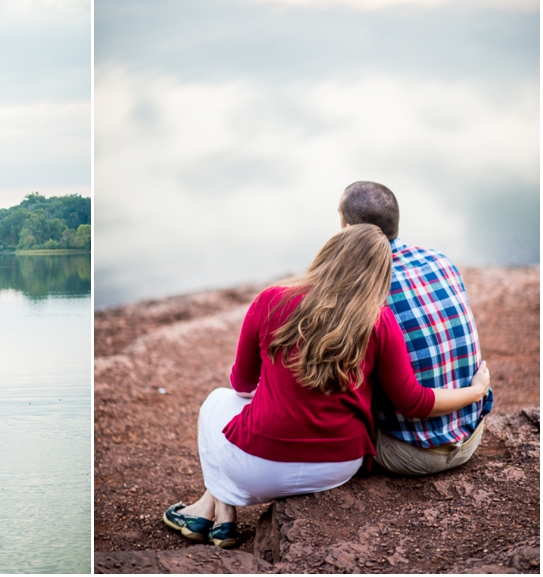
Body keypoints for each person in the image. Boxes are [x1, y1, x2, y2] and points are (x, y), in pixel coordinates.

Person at [162, 224, 491, 548]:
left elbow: (242, 387)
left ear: (326, 255)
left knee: (216, 401)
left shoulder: (271, 300)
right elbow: (414, 402)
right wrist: (477, 391)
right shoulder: (380, 320)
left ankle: (219, 514)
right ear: (380, 275)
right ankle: (213, 513)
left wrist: (280, 386)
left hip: (261, 470)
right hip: (339, 467)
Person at [338, 181, 493, 475]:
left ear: (349, 229)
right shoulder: (440, 261)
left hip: (408, 453)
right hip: (471, 437)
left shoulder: (361, 289)